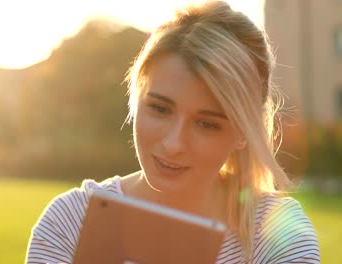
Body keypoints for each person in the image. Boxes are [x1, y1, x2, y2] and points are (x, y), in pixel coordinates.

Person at [25, 1, 320, 263]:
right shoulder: (69, 223)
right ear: (136, 98)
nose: (173, 143)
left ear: (244, 131)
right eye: (160, 109)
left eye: (206, 124)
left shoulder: (278, 233)